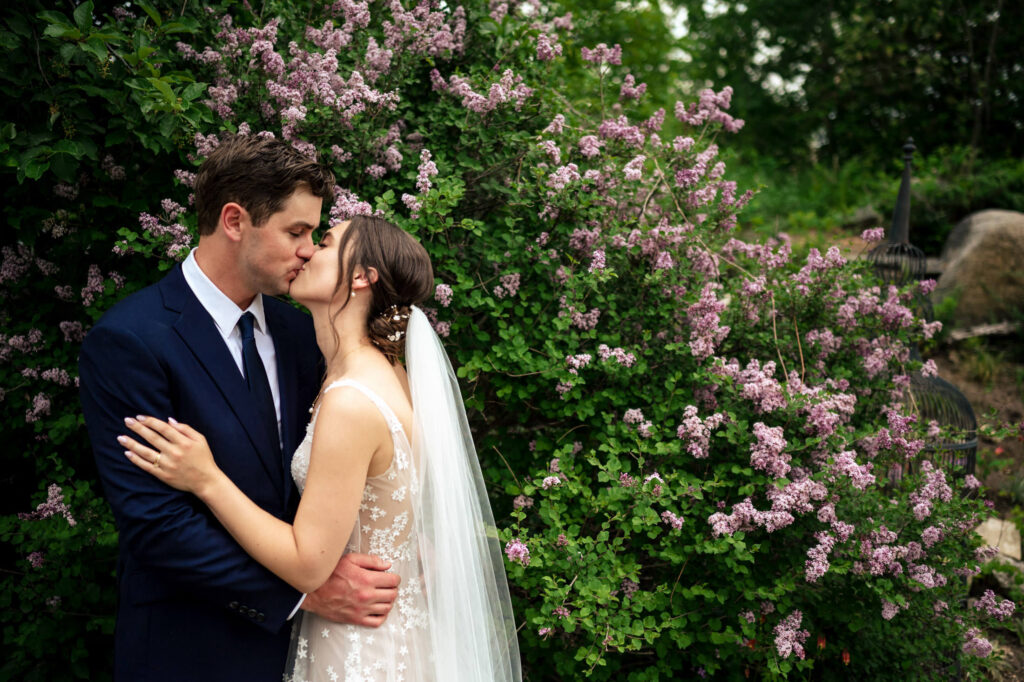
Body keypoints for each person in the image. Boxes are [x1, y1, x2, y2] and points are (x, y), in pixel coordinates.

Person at [119, 215, 522, 682]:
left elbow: (308, 565)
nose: (308, 251)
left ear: (361, 276)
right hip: (389, 633)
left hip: (359, 646)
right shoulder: (388, 374)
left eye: (325, 242)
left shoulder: (351, 400)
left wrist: (207, 479)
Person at [79, 136, 400, 682]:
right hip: (193, 650)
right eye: (295, 231)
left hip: (321, 651)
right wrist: (304, 595)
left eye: (313, 234)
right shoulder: (131, 341)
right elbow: (156, 524)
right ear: (234, 220)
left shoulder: (304, 333)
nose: (307, 249)